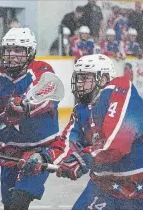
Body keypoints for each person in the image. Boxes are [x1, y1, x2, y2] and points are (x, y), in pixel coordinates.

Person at [21, 54, 143, 209]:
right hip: (104, 186)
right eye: (78, 78)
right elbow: (69, 143)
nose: (79, 84)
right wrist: (43, 157)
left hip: (137, 186)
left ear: (103, 79)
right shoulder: (81, 109)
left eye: (86, 79)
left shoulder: (121, 89)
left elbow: (119, 141)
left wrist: (83, 159)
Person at [0, 27, 59, 210]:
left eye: (18, 50)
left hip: (38, 152)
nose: (12, 55)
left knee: (19, 202)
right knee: (9, 205)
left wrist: (25, 106)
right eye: (8, 49)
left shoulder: (42, 70)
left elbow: (48, 97)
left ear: (30, 52)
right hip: (9, 152)